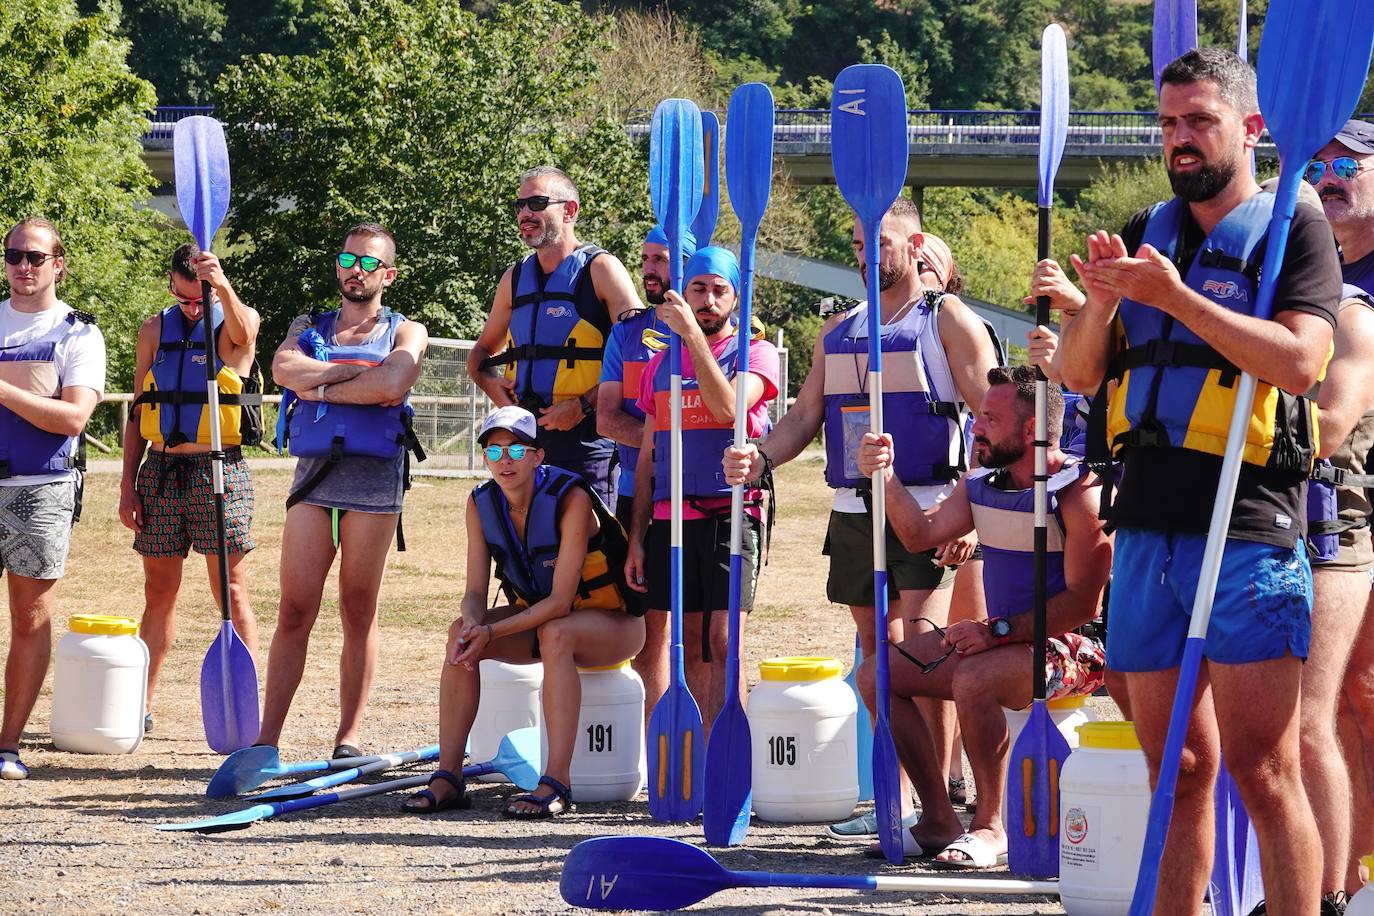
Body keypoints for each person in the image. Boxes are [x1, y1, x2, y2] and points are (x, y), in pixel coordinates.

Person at [1059, 48, 1340, 912]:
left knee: (1264, 770)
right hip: (1145, 530)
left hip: (1248, 527)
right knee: (1175, 769)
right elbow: (1077, 376)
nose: (1179, 139)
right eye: (1169, 123)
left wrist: (1177, 299)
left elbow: (1299, 364)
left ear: (1252, 128)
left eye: (1200, 121)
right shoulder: (1148, 228)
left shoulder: (1297, 228)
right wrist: (1102, 305)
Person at [723, 203, 1000, 837]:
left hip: (930, 507)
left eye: (880, 242)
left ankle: (948, 805)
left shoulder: (946, 319)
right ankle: (894, 800)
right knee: (878, 657)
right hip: (854, 513)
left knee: (921, 660)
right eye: (856, 244)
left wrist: (974, 514)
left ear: (916, 244)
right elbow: (801, 419)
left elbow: (996, 416)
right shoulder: (837, 331)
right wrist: (759, 456)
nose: (866, 255)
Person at [853, 366, 1110, 864]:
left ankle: (991, 827)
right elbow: (917, 535)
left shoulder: (1080, 494)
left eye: (990, 419)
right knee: (875, 675)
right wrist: (884, 476)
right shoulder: (979, 485)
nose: (976, 428)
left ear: (1031, 430)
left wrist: (997, 631)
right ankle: (937, 819)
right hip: (1004, 641)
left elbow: (1085, 604)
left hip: (1080, 649)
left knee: (972, 678)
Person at [404, 406, 645, 817]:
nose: (505, 461)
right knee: (459, 632)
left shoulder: (571, 498)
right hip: (541, 621)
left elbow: (559, 602)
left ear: (538, 456)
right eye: (494, 452)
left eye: (516, 449)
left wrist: (493, 633)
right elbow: (475, 591)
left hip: (614, 626)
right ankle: (449, 777)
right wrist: (475, 625)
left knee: (557, 633)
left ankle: (555, 783)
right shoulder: (480, 503)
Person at [257, 222, 428, 757]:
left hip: (375, 485)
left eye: (371, 263)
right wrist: (356, 379)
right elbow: (283, 368)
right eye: (349, 259)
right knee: (294, 611)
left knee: (358, 611)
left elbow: (393, 383)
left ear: (389, 274)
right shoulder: (309, 324)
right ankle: (265, 741)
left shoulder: (407, 330)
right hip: (313, 481)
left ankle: (348, 737)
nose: (358, 270)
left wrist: (322, 383)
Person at [625, 246, 779, 730]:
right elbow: (649, 459)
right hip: (672, 521)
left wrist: (691, 338)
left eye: (720, 290)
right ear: (683, 293)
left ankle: (731, 762)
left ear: (737, 297)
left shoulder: (756, 352)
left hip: (732, 515)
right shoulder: (659, 366)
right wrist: (636, 537)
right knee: (690, 642)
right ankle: (705, 758)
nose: (709, 299)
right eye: (698, 288)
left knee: (724, 641)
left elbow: (729, 410)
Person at [119, 242, 262, 734]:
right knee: (158, 591)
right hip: (160, 472)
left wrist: (220, 287)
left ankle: (247, 709)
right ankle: (140, 704)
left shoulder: (233, 319)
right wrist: (126, 485)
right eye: (184, 300)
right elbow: (139, 410)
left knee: (231, 590)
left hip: (217, 469)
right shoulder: (154, 329)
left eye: (200, 299)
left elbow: (244, 339)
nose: (193, 309)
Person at [468, 166, 643, 507]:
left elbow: (640, 358)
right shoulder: (514, 279)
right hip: (525, 444)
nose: (524, 214)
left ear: (569, 210)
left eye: (536, 203)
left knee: (592, 557)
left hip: (588, 445)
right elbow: (479, 357)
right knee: (527, 552)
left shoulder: (602, 270)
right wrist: (496, 391)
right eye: (519, 206)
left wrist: (581, 406)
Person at [0, 218, 106, 780]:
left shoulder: (79, 334)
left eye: (36, 257)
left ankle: (7, 745)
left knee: (29, 615)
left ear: (58, 264)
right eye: (14, 254)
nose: (23, 265)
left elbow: (72, 418)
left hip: (37, 488)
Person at [1308, 120, 1374, 898]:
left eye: (1348, 165)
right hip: (1330, 510)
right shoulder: (1308, 274)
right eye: (1318, 165)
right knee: (1349, 697)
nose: (1330, 177)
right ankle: (1350, 882)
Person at [597, 225, 694, 720]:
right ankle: (657, 753)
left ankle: (702, 754)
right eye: (647, 258)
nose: (651, 269)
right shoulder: (627, 332)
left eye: (663, 259)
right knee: (649, 630)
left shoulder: (731, 331)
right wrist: (667, 443)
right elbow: (608, 418)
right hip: (639, 495)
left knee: (704, 635)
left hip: (707, 499)